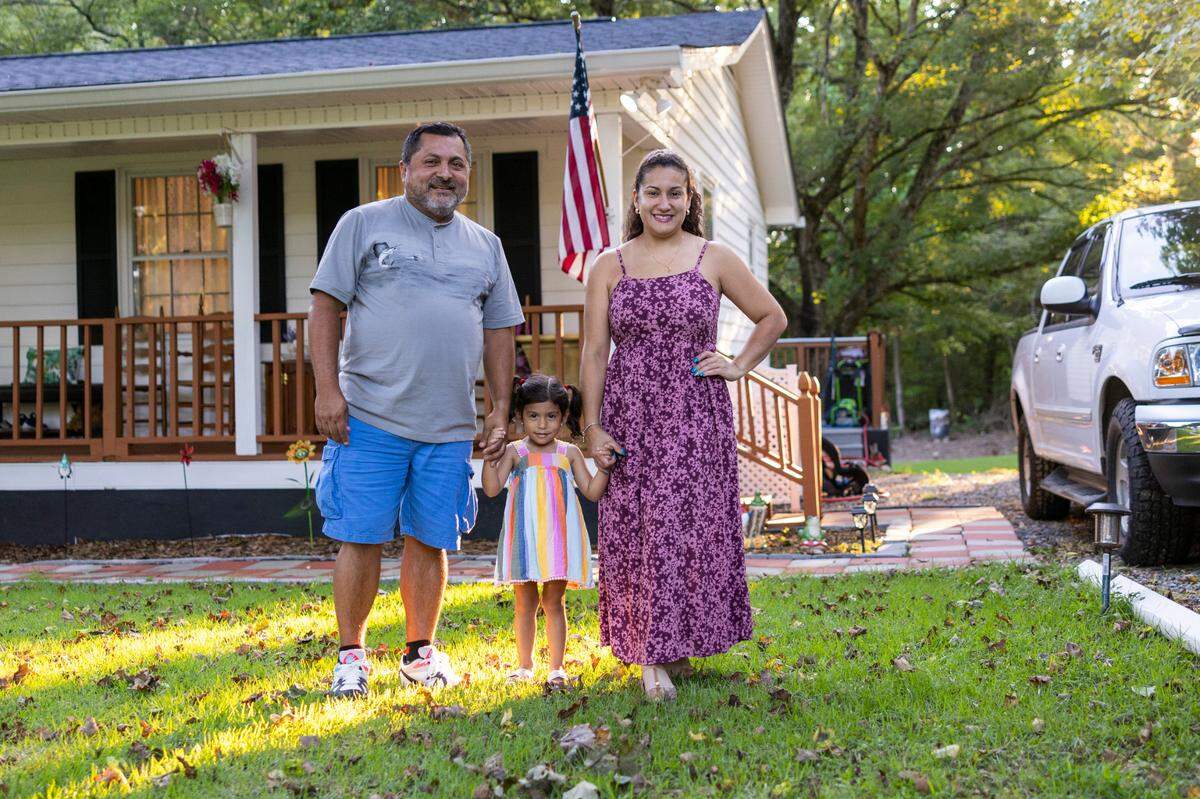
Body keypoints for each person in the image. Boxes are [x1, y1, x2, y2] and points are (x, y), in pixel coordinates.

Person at [309, 121, 524, 698]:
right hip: (370, 416)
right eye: (431, 162)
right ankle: (351, 656)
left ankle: (419, 653)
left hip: (449, 424)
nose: (444, 173)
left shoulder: (486, 245)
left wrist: (500, 410)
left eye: (456, 163)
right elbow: (325, 308)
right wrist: (327, 391)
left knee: (431, 538)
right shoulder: (362, 224)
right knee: (361, 536)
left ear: (467, 174)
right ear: (404, 169)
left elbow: (502, 328)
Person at [579, 149, 788, 701]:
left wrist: (739, 365)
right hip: (631, 415)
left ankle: (676, 645)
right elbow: (595, 351)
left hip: (697, 416)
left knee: (689, 527)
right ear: (636, 199)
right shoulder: (610, 264)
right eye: (653, 192)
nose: (664, 202)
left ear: (690, 199)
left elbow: (772, 316)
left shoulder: (713, 258)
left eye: (676, 192)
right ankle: (649, 652)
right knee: (641, 527)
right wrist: (591, 427)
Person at [482, 374, 607, 689]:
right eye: (533, 416)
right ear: (521, 417)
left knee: (554, 601)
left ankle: (556, 667)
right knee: (524, 602)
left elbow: (591, 491)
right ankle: (524, 665)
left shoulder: (569, 453)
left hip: (559, 541)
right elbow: (492, 487)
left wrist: (604, 468)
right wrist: (488, 459)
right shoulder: (515, 452)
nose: (541, 424)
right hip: (524, 538)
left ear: (563, 417)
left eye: (551, 416)